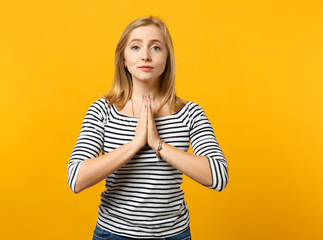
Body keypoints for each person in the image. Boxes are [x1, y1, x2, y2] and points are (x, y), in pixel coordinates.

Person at [67, 16, 228, 240]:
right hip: (114, 234)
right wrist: (135, 144)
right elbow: (75, 178)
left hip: (173, 235)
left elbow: (218, 176)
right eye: (135, 47)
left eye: (155, 47)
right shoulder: (103, 111)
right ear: (123, 59)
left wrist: (157, 143)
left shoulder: (189, 113)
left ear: (167, 58)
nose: (145, 55)